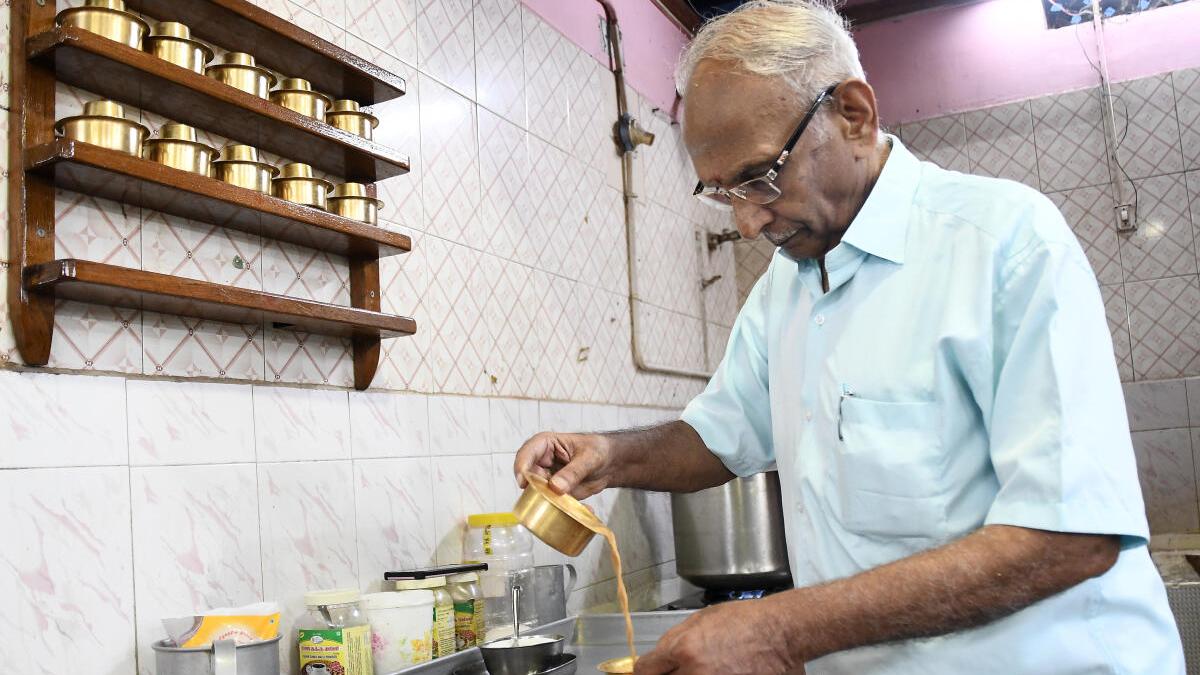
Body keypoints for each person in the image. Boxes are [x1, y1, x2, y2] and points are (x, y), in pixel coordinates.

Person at [514, 1, 1185, 673]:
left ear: (854, 114)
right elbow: (719, 435)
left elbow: (1072, 533)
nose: (748, 222)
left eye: (760, 177)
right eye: (723, 192)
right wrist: (609, 456)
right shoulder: (787, 285)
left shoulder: (1004, 243)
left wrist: (783, 627)